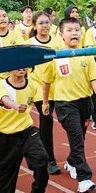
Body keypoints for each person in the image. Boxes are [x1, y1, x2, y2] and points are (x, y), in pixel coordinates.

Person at [36, 17, 96, 193]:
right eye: (69, 30)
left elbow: (94, 78)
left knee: (80, 138)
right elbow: (46, 82)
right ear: (61, 35)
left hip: (85, 103)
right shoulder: (56, 57)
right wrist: (45, 103)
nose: (74, 33)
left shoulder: (86, 55)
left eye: (77, 30)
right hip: (65, 105)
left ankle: (71, 161)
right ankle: (84, 178)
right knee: (76, 138)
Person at [0, 67, 55, 193]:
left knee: (41, 159)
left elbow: (41, 98)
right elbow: (4, 99)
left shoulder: (32, 86)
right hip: (4, 136)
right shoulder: (1, 85)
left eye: (24, 65)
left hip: (26, 131)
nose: (21, 68)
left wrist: (46, 104)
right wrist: (15, 105)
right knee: (6, 176)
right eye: (17, 65)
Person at [27, 10, 64, 175]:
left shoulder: (58, 42)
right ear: (34, 26)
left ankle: (74, 158)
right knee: (47, 119)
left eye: (47, 22)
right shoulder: (29, 44)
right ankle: (49, 158)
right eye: (41, 23)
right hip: (37, 88)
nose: (45, 26)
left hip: (57, 87)